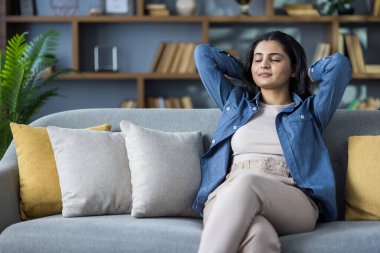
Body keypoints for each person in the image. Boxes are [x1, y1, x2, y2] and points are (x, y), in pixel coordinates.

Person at [192, 30, 352, 253]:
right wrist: (250, 70)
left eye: (275, 59)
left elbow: (339, 66)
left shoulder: (310, 112)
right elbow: (203, 55)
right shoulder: (236, 104)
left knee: (248, 183)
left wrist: (304, 74)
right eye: (258, 59)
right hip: (227, 195)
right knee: (259, 235)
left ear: (293, 68)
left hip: (291, 199)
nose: (264, 64)